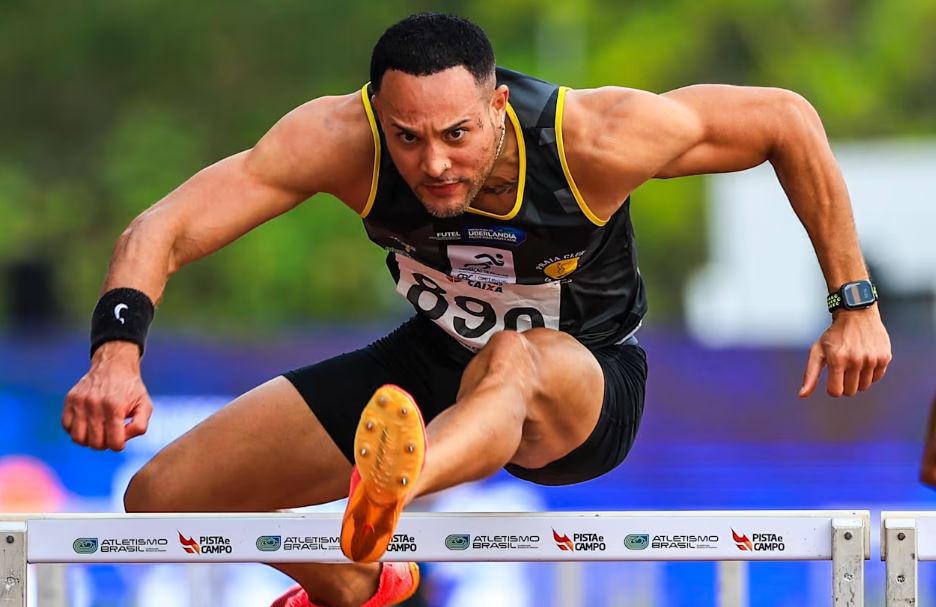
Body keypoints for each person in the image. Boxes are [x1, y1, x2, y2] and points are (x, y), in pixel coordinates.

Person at [62, 12, 892, 607]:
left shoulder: (595, 138)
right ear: (378, 118)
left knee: (515, 358)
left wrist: (853, 301)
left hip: (578, 382)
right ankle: (357, 577)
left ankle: (388, 489)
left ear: (497, 106)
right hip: (431, 364)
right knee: (165, 492)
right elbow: (161, 226)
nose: (434, 164)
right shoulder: (334, 139)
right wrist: (116, 353)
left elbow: (786, 119)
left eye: (457, 134)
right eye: (408, 137)